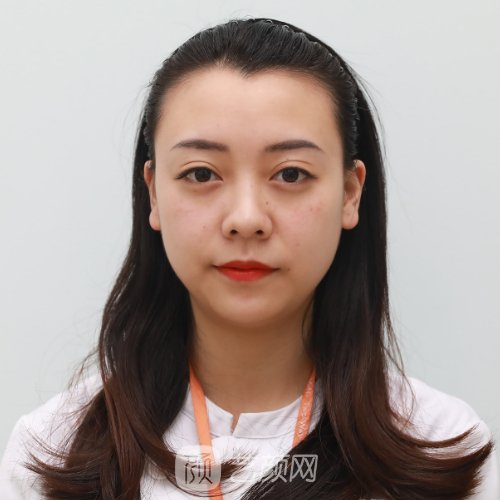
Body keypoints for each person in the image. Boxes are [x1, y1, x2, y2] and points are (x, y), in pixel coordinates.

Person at [0, 17, 498, 500]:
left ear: (350, 193)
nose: (246, 219)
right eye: (201, 174)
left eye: (291, 174)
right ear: (153, 193)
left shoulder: (443, 451)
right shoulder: (53, 455)